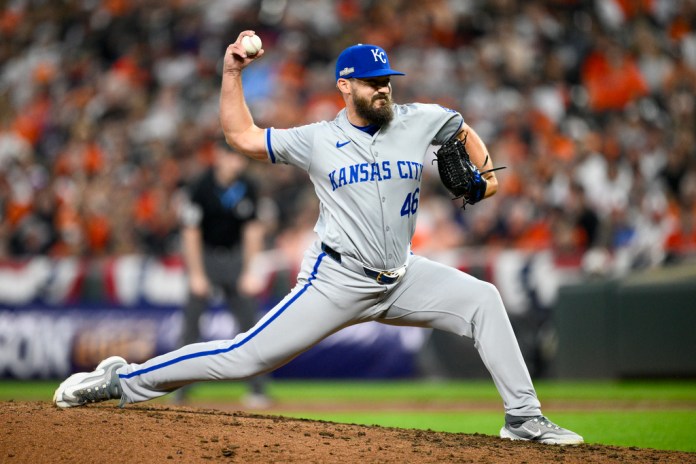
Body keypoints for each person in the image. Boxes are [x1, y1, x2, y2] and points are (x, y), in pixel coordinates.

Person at [54, 31, 583, 445]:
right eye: (372, 81)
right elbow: (240, 137)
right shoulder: (317, 139)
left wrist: (485, 178)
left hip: (403, 275)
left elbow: (460, 128)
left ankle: (524, 419)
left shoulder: (418, 119)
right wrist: (231, 73)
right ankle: (123, 381)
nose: (384, 88)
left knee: (483, 300)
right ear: (345, 87)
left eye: (388, 80)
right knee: (244, 358)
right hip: (336, 279)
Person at [175, 141, 271, 408]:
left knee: (250, 324)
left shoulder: (247, 186)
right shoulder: (200, 186)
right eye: (232, 156)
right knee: (191, 326)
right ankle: (181, 387)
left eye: (240, 158)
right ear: (218, 156)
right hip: (204, 255)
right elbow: (191, 232)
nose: (237, 163)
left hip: (235, 256)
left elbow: (253, 230)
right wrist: (196, 274)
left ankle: (258, 388)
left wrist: (251, 270)